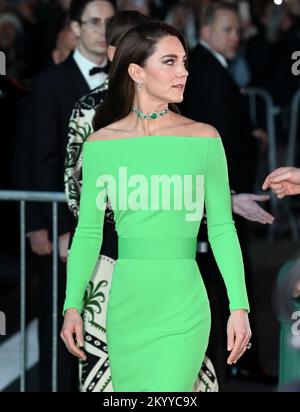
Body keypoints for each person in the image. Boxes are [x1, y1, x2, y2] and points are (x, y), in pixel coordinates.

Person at [61, 21, 251, 392]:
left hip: (184, 304)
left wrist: (238, 307)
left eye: (183, 62)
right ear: (136, 72)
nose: (183, 72)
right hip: (127, 305)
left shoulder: (204, 138)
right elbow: (87, 232)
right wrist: (72, 305)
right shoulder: (102, 144)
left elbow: (222, 229)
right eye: (170, 62)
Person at [29, 0, 116, 392]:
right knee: (63, 322)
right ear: (76, 27)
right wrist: (50, 226)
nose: (102, 29)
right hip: (69, 227)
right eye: (94, 22)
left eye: (109, 23)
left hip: (114, 230)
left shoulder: (130, 81)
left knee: (108, 325)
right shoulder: (50, 83)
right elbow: (39, 159)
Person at [64, 10, 149, 392]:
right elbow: (74, 186)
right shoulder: (89, 107)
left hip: (161, 257)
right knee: (108, 370)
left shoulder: (172, 111)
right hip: (108, 256)